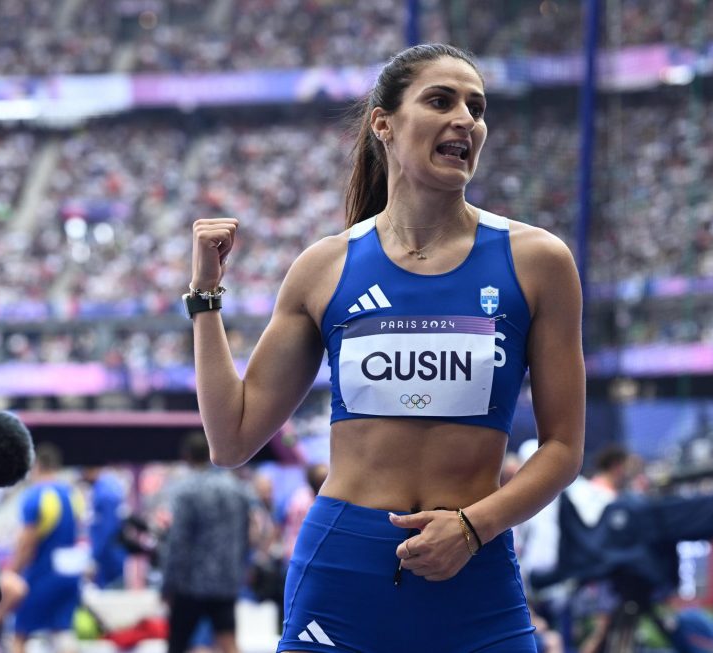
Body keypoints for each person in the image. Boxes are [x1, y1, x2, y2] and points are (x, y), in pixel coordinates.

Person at [187, 42, 585, 653]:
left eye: (476, 108)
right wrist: (205, 297)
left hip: (474, 574)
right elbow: (232, 439)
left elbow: (563, 447)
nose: (466, 120)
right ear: (383, 123)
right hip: (342, 571)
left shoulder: (538, 261)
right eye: (441, 101)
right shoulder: (324, 267)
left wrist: (472, 528)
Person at [161, 432, 257, 653]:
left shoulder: (186, 491)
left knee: (177, 645)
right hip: (226, 580)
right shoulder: (238, 488)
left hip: (190, 584)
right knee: (228, 642)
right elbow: (246, 536)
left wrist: (168, 585)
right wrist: (241, 569)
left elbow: (178, 542)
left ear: (186, 456)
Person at [8, 443, 86, 653]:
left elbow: (27, 544)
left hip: (41, 575)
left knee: (20, 634)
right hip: (69, 576)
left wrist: (13, 571)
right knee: (62, 633)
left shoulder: (35, 496)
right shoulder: (74, 494)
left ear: (36, 466)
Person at [562, 444, 631, 653]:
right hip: (599, 576)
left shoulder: (593, 492)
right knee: (601, 632)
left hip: (599, 573)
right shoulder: (599, 496)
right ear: (617, 466)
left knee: (605, 632)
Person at [80, 465, 128, 588]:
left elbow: (108, 530)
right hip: (108, 555)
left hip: (110, 558)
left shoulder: (106, 492)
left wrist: (94, 557)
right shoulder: (104, 486)